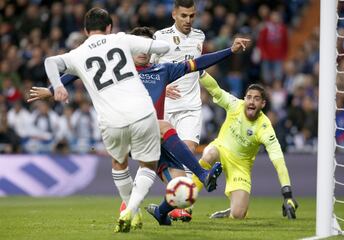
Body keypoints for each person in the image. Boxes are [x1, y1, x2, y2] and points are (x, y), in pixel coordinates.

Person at [29, 26, 250, 225]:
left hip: (157, 140)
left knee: (182, 191)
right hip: (133, 130)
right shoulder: (121, 70)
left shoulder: (162, 71)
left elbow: (196, 63)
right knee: (162, 126)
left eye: (146, 46)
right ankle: (201, 174)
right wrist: (51, 89)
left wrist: (230, 51)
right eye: (138, 46)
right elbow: (76, 71)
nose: (143, 51)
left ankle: (158, 212)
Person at [41, 7, 171, 233]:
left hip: (110, 119)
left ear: (85, 30)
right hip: (142, 111)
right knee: (148, 164)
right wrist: (155, 49)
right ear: (109, 27)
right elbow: (163, 47)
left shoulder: (77, 54)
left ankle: (132, 212)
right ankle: (131, 208)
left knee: (119, 163)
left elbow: (50, 62)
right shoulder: (120, 39)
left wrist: (59, 86)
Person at [192, 73, 298, 220]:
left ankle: (231, 210)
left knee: (238, 214)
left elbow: (278, 161)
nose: (251, 101)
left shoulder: (265, 128)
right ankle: (187, 203)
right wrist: (201, 72)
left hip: (240, 166)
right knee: (208, 154)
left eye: (256, 98)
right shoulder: (235, 105)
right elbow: (215, 89)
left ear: (263, 104)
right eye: (249, 97)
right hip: (221, 149)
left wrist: (288, 195)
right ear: (244, 99)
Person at [151, 0, 205, 221]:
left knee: (188, 150)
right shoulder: (160, 37)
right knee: (169, 160)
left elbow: (198, 69)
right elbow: (147, 70)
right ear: (174, 14)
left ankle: (180, 204)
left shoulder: (200, 37)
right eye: (184, 15)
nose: (188, 20)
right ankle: (174, 202)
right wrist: (163, 85)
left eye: (192, 15)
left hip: (191, 106)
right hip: (166, 108)